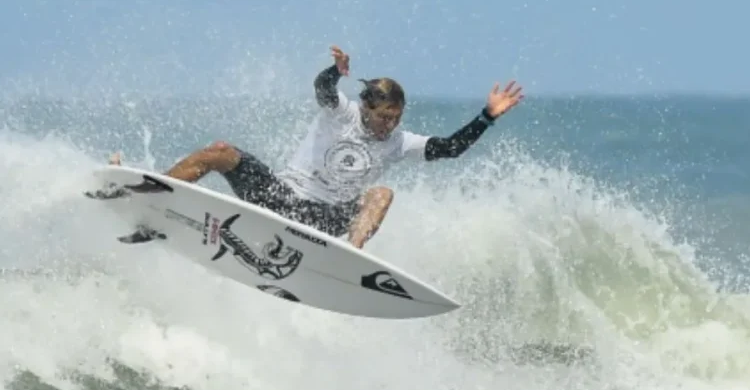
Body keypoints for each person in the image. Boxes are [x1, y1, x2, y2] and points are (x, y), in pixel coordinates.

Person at [110, 46, 523, 249]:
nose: (389, 125)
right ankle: (149, 193)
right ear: (366, 106)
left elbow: (450, 148)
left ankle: (350, 256)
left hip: (325, 219)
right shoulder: (339, 111)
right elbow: (322, 88)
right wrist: (335, 71)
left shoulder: (400, 143)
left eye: (395, 117)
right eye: (382, 117)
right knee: (220, 151)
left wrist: (486, 116)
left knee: (381, 193)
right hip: (279, 197)